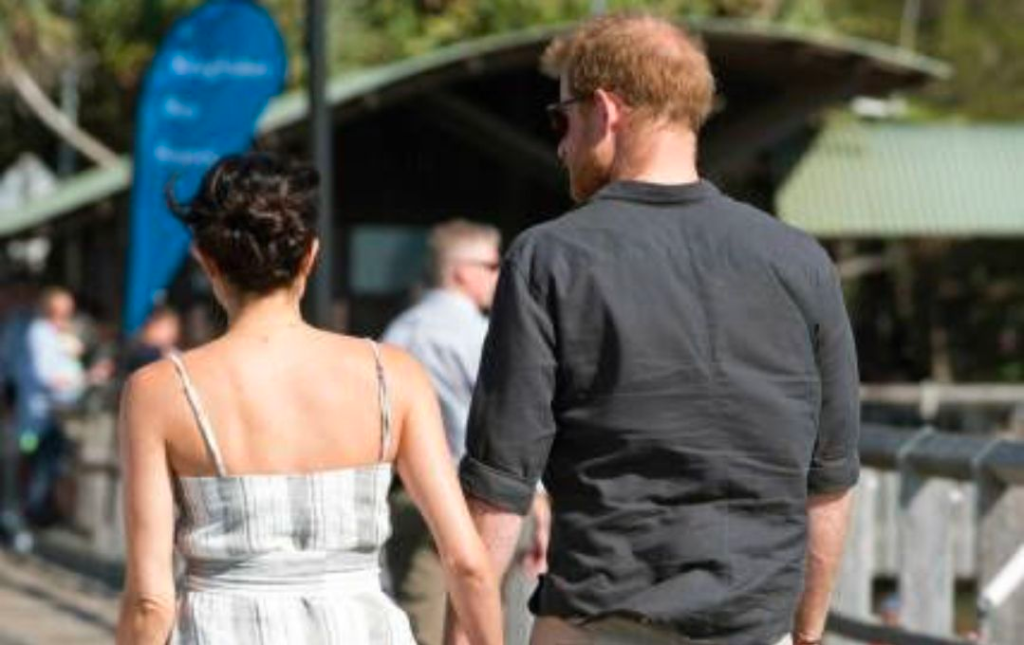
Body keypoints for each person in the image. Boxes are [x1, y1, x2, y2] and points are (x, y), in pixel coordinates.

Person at [448, 13, 860, 645]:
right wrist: (806, 632)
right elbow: (829, 481)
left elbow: (498, 487)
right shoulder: (801, 263)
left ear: (606, 110)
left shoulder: (549, 259)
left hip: (601, 620)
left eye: (562, 118)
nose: (560, 145)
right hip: (754, 627)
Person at [116, 153, 502, 645]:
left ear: (207, 260)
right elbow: (468, 563)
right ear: (309, 257)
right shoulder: (393, 376)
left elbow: (150, 601)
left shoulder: (160, 390)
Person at [382, 220, 547, 645]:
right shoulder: (482, 335)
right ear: (460, 272)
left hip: (413, 496)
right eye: (492, 265)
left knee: (421, 620)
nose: (500, 274)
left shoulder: (398, 332)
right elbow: (516, 419)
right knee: (486, 622)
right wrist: (540, 497)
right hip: (486, 498)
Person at [13, 287, 86, 524]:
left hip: (56, 414)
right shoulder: (39, 332)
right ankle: (28, 514)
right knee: (34, 461)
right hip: (37, 416)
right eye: (61, 309)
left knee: (50, 465)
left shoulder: (60, 333)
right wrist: (78, 380)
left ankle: (36, 512)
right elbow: (45, 374)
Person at [122, 304, 181, 375]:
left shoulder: (173, 352)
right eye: (162, 328)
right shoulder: (139, 351)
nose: (170, 333)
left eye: (172, 327)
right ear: (150, 328)